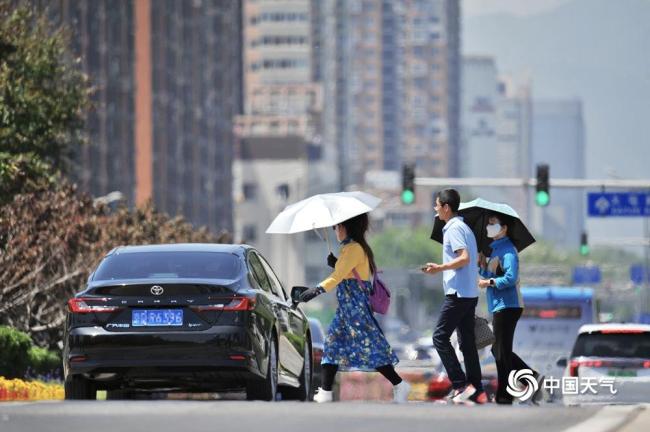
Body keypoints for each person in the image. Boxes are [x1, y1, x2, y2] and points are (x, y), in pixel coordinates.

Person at [298, 213, 411, 403]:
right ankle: (325, 392)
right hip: (346, 310)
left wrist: (316, 290)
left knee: (371, 349)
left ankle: (399, 384)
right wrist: (336, 263)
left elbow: (338, 276)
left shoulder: (353, 249)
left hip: (356, 310)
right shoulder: (353, 249)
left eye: (336, 227)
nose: (335, 231)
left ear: (344, 227)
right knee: (332, 345)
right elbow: (347, 272)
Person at [423, 189, 487, 404]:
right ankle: (476, 389)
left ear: (446, 207)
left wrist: (439, 267)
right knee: (467, 343)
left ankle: (460, 385)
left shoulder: (453, 228)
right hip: (469, 293)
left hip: (458, 294)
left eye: (437, 205)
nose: (435, 208)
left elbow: (465, 258)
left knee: (439, 338)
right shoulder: (465, 228)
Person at [477, 212, 541, 405]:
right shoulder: (495, 250)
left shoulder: (508, 250)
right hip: (499, 305)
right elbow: (489, 274)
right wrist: (482, 266)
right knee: (499, 350)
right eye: (489, 223)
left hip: (509, 305)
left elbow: (511, 278)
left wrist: (489, 281)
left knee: (501, 351)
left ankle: (505, 394)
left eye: (493, 223)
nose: (489, 227)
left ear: (504, 228)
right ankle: (531, 378)